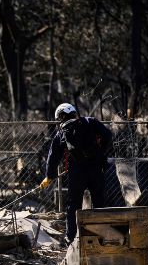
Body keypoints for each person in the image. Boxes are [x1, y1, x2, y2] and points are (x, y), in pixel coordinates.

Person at [39, 103, 113, 243]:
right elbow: (108, 135)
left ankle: (71, 237)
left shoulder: (62, 132)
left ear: (61, 117)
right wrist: (100, 152)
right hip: (96, 168)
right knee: (99, 203)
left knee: (73, 205)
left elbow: (53, 156)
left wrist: (49, 176)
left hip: (77, 171)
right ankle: (103, 237)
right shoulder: (90, 122)